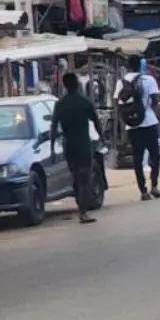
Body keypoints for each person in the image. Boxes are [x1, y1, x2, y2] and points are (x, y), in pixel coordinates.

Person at [49, 71, 103, 224]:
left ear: (65, 86)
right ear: (77, 84)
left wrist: (52, 148)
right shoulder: (84, 102)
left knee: (75, 177)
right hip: (83, 145)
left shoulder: (60, 104)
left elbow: (53, 126)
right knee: (84, 179)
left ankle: (80, 204)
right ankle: (83, 212)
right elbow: (96, 122)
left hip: (69, 146)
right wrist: (102, 139)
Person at [115, 63, 160, 201]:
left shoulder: (121, 82)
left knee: (138, 158)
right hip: (149, 122)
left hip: (132, 125)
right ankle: (154, 186)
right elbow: (155, 100)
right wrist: (148, 108)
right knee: (154, 156)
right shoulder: (149, 79)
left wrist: (127, 116)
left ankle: (143, 191)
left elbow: (117, 102)